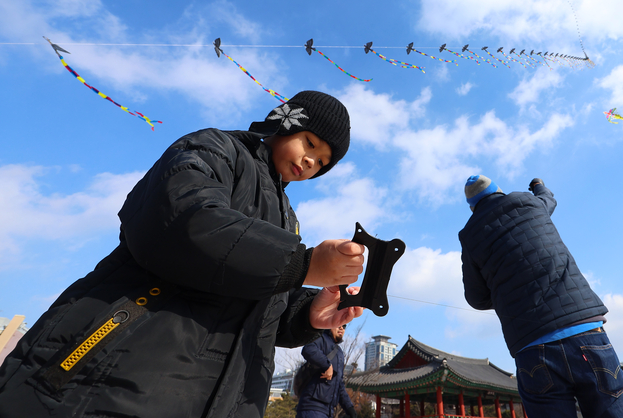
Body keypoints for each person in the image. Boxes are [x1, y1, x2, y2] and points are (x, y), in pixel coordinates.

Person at [0, 91, 365, 418]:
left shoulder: (290, 221)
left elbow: (255, 309)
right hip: (114, 377)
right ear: (284, 122)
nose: (309, 161)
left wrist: (305, 313)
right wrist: (300, 263)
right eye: (310, 143)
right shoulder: (217, 149)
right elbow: (181, 218)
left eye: (321, 162)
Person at [459, 175, 623, 417]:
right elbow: (548, 199)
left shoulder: (470, 235)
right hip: (584, 331)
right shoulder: (530, 204)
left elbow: (476, 298)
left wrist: (506, 294)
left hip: (530, 346)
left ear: (472, 207)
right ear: (500, 192)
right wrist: (537, 185)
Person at [296, 324, 356, 418]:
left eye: (344, 326)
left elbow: (339, 384)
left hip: (328, 411)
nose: (341, 328)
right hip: (312, 407)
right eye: (338, 324)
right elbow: (308, 349)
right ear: (330, 324)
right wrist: (327, 365)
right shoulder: (321, 338)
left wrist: (349, 408)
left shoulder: (339, 353)